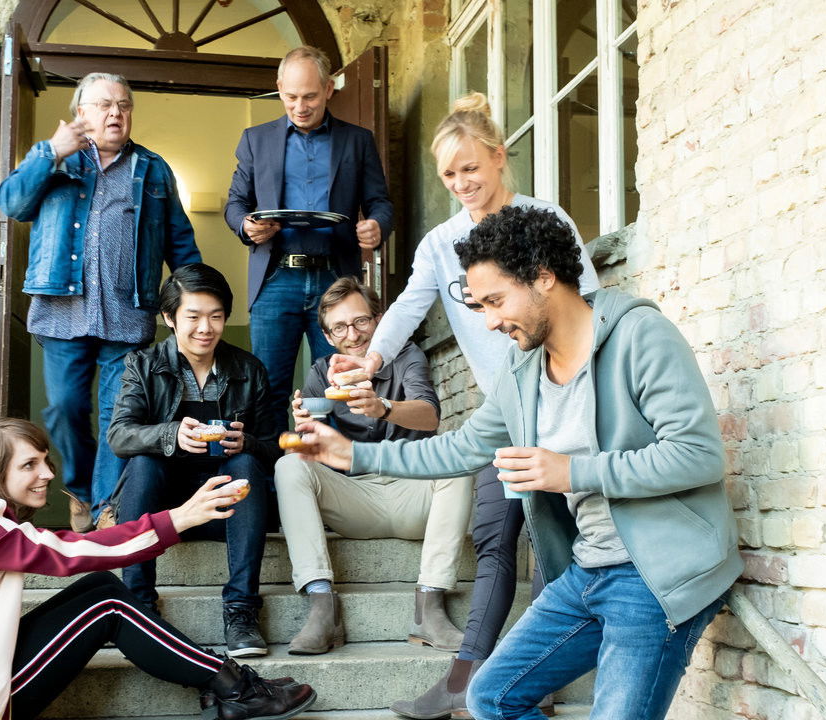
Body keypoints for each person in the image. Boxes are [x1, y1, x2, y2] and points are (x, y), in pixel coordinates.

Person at [295, 205, 742, 720]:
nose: (489, 322)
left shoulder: (640, 335)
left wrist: (570, 471)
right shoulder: (524, 365)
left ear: (544, 277)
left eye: (495, 301)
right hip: (588, 569)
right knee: (491, 697)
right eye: (479, 305)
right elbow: (461, 448)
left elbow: (697, 455)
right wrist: (351, 453)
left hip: (656, 572)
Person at [329, 93, 600, 719]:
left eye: (470, 168)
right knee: (494, 536)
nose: (461, 184)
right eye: (449, 174)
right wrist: (371, 360)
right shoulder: (441, 241)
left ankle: (539, 676)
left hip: (561, 407)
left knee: (550, 539)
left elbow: (589, 303)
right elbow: (408, 306)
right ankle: (463, 678)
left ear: (500, 157)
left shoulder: (544, 220)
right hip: (501, 413)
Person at [0, 417, 316, 720]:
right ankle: (234, 687)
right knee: (108, 604)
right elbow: (75, 551)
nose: (47, 473)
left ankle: (226, 684)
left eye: (45, 460)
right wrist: (179, 517)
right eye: (29, 465)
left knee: (101, 588)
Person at [0, 72, 200, 532]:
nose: (116, 113)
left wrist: (191, 298)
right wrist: (51, 152)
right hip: (61, 311)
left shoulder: (153, 168)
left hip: (128, 313)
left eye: (124, 105)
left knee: (118, 415)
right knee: (65, 409)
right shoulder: (54, 158)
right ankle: (82, 491)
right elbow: (11, 204)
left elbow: (180, 241)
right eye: (105, 105)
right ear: (80, 113)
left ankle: (107, 506)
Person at [275, 277, 473, 656]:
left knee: (458, 462)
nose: (353, 335)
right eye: (340, 328)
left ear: (379, 320)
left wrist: (384, 407)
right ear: (328, 336)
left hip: (414, 494)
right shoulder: (321, 372)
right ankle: (322, 607)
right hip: (357, 500)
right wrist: (303, 424)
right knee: (290, 464)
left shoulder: (407, 356)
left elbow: (430, 415)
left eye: (361, 321)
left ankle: (430, 608)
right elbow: (312, 446)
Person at [108, 263, 278, 658]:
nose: (206, 328)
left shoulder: (248, 369)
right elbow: (119, 435)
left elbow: (275, 449)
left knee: (245, 465)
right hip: (163, 510)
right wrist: (170, 434)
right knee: (144, 464)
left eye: (216, 317)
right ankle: (138, 606)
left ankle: (241, 610)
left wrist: (247, 442)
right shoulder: (143, 365)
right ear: (170, 318)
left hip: (228, 512)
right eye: (194, 317)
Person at [225, 45, 394, 435]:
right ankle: (272, 472)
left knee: (339, 385)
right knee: (267, 391)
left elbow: (380, 203)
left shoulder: (357, 140)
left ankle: (336, 468)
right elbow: (236, 204)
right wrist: (247, 226)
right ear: (279, 87)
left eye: (310, 97)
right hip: (275, 278)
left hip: (335, 278)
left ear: (329, 89)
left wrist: (377, 226)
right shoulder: (255, 139)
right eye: (291, 97)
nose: (299, 107)